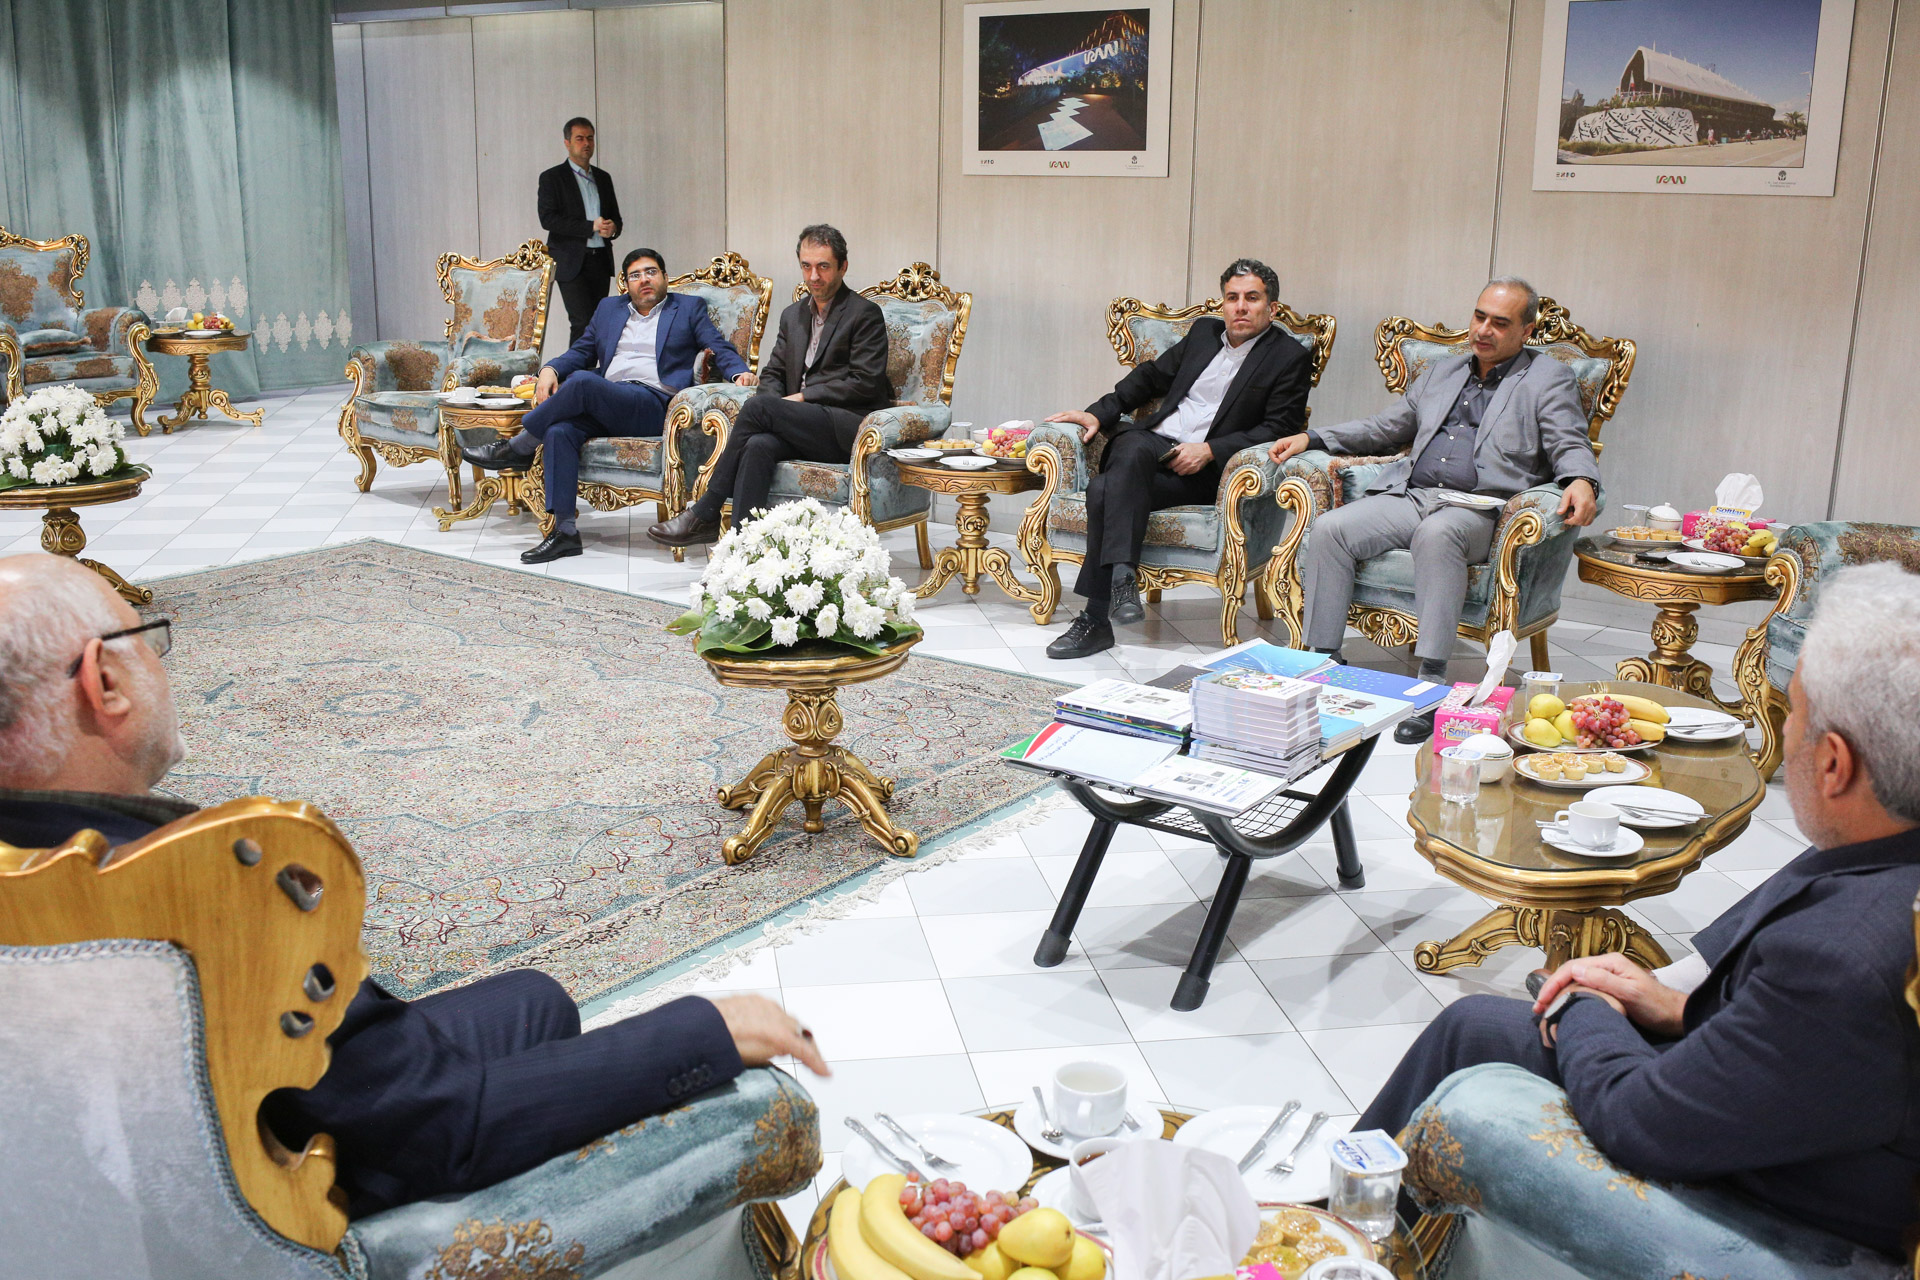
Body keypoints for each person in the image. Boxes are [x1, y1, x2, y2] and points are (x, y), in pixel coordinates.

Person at [0, 553, 829, 1218]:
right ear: (104, 682)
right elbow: (450, 1126)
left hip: (191, 1123)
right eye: (146, 638)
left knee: (536, 1000)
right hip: (298, 1171)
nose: (161, 661)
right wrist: (706, 1029)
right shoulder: (199, 892)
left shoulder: (32, 860)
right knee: (659, 1063)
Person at [1355, 561, 1920, 1260]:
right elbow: (1812, 1056)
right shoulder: (1885, 857)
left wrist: (1581, 1002)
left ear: (1834, 764)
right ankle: (1341, 1223)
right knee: (1472, 1025)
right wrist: (1677, 1007)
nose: (1783, 731)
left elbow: (1642, 1120)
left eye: (1793, 715)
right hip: (1803, 1112)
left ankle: (1341, 1242)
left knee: (1503, 1028)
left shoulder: (1841, 956)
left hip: (1786, 1190)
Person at [1268, 277, 1600, 742]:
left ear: (1526, 331)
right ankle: (1325, 661)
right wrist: (1314, 437)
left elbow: (1570, 441)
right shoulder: (1445, 371)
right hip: (1414, 495)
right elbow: (1386, 427)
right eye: (1479, 317)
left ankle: (1430, 683)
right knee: (1331, 529)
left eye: (1500, 323)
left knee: (1437, 534)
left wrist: (1581, 479)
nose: (1483, 330)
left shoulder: (1548, 378)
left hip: (1480, 510)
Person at [1042, 258, 1314, 660]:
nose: (1240, 307)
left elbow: (1279, 428)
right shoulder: (1204, 333)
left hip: (1206, 473)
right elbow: (1151, 376)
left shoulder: (1288, 357)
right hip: (1153, 447)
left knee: (1103, 489)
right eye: (1232, 298)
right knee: (1133, 445)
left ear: (1271, 308)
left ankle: (1096, 618)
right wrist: (1098, 412)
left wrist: (1210, 450)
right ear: (1222, 304)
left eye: (1252, 298)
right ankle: (1121, 581)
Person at [461, 247, 754, 564]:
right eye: (635, 275)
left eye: (651, 272)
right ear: (625, 283)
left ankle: (519, 446)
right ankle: (565, 533)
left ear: (665, 277)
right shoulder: (608, 309)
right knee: (559, 431)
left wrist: (740, 373)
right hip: (609, 400)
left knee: (582, 383)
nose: (644, 280)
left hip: (653, 403)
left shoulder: (687, 308)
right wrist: (550, 369)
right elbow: (581, 351)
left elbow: (718, 345)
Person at [647, 224, 890, 548]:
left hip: (844, 428)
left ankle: (706, 510)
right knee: (758, 445)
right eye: (806, 266)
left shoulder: (864, 314)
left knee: (760, 407)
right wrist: (777, 406)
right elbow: (774, 372)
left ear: (843, 267)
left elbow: (865, 382)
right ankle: (743, 550)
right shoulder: (793, 315)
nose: (814, 276)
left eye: (823, 267)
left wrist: (800, 398)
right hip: (799, 425)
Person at [538, 117, 623, 346]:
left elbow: (616, 218)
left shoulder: (603, 178)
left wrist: (612, 228)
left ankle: (594, 368)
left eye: (590, 138)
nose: (586, 143)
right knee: (582, 322)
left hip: (600, 260)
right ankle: (575, 368)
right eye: (580, 138)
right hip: (571, 261)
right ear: (567, 143)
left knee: (598, 322)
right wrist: (590, 226)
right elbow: (548, 219)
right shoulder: (552, 178)